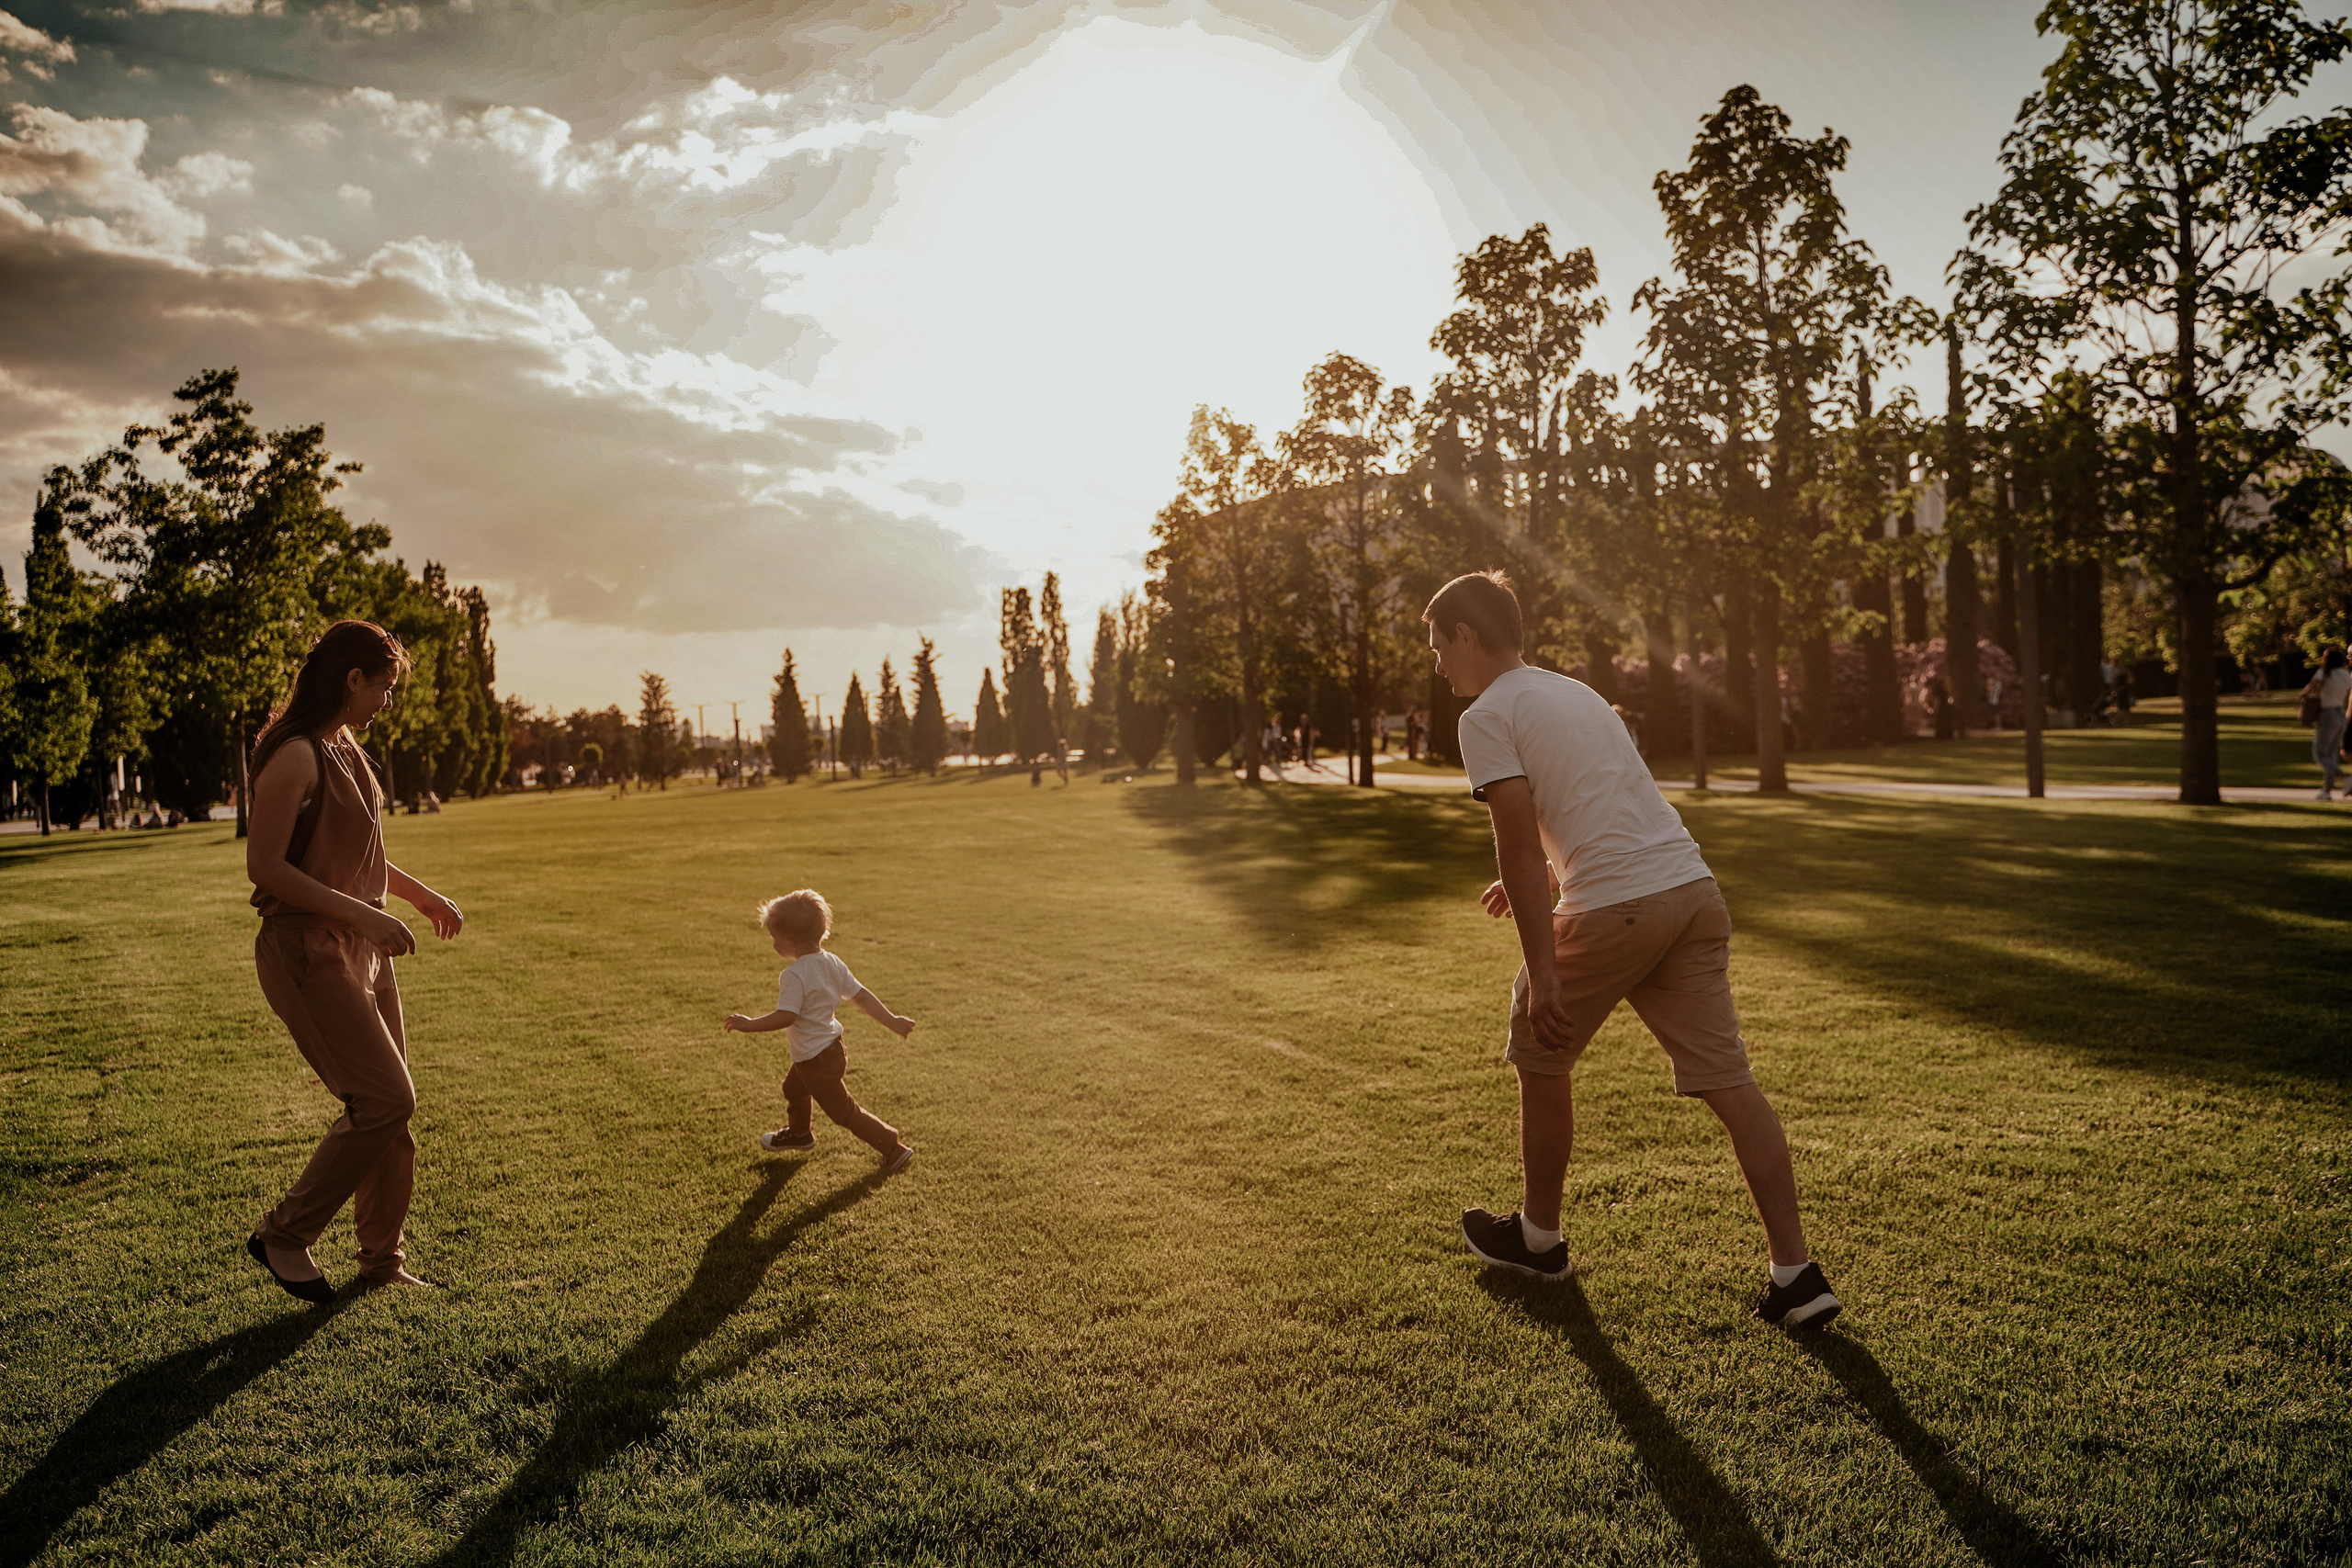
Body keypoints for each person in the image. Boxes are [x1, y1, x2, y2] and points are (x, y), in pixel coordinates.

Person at [1426, 570, 1839, 1326]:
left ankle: (1539, 1241)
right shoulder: (1574, 691)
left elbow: (1516, 841)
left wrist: (1544, 966)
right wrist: (1559, 866)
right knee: (1729, 1081)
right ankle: (1797, 1275)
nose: (1437, 663)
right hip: (1690, 892)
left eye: (1437, 646)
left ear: (1466, 635)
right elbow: (1608, 794)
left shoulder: (1485, 714)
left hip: (1620, 907)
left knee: (1538, 1037)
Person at [244, 621, 465, 1304]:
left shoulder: (346, 750)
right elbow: (267, 867)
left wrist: (419, 894)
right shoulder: (295, 754)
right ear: (352, 679)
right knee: (385, 1099)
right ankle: (284, 1233)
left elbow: (357, 852)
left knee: (390, 1112)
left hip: (359, 947)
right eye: (385, 687)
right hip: (307, 950)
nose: (388, 702)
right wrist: (366, 914)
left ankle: (381, 1259)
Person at [724, 888, 918, 1173]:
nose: (773, 943)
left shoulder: (794, 974)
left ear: (788, 941)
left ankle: (892, 1147)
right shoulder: (832, 962)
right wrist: (893, 1021)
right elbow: (861, 996)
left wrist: (749, 1024)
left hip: (815, 1060)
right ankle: (801, 1134)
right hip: (832, 1049)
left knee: (843, 1111)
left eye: (774, 938)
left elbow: (786, 1016)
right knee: (792, 1087)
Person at [2308, 648, 2351, 800]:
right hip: (2341, 713)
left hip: (2328, 713)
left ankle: (2345, 777)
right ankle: (2326, 791)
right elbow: (2347, 695)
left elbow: (2311, 687)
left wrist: (2303, 695)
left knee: (2320, 755)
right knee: (2331, 754)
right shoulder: (2346, 674)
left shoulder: (2324, 672)